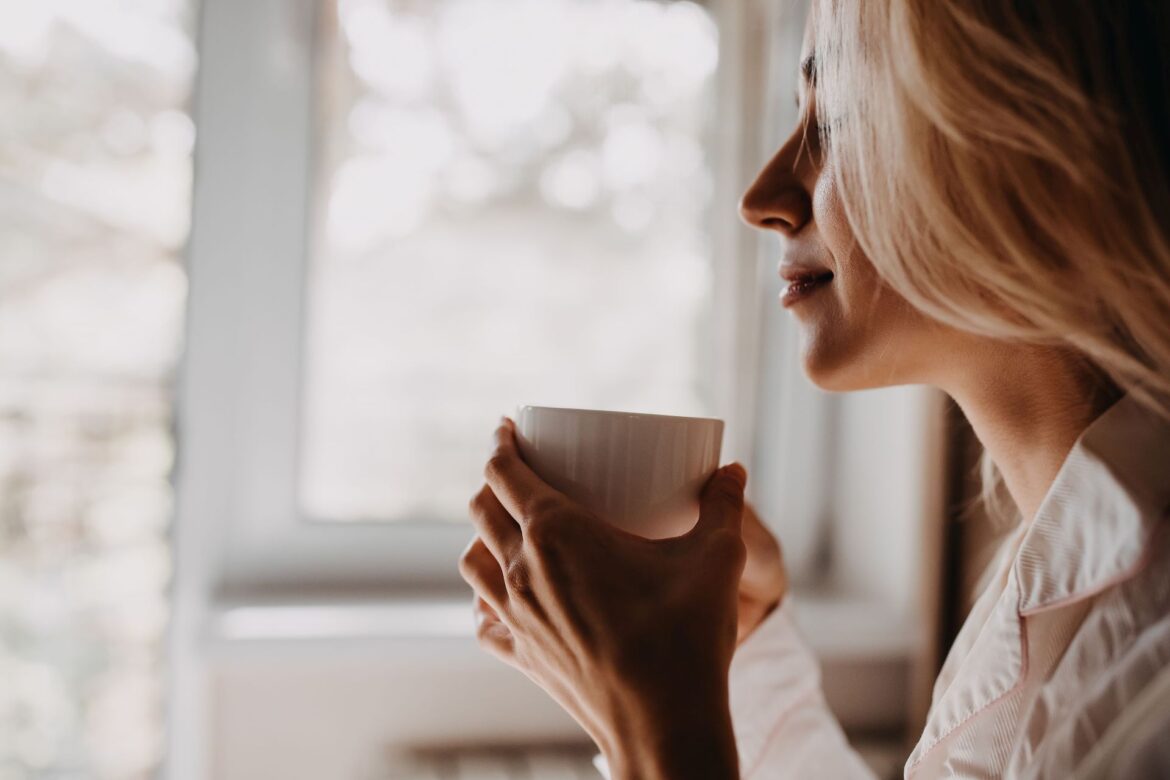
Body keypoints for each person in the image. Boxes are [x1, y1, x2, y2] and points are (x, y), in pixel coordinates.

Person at [458, 0, 1170, 777]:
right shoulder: (1050, 578)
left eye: (837, 122)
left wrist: (655, 731)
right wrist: (737, 652)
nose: (760, 196)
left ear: (1039, 148)